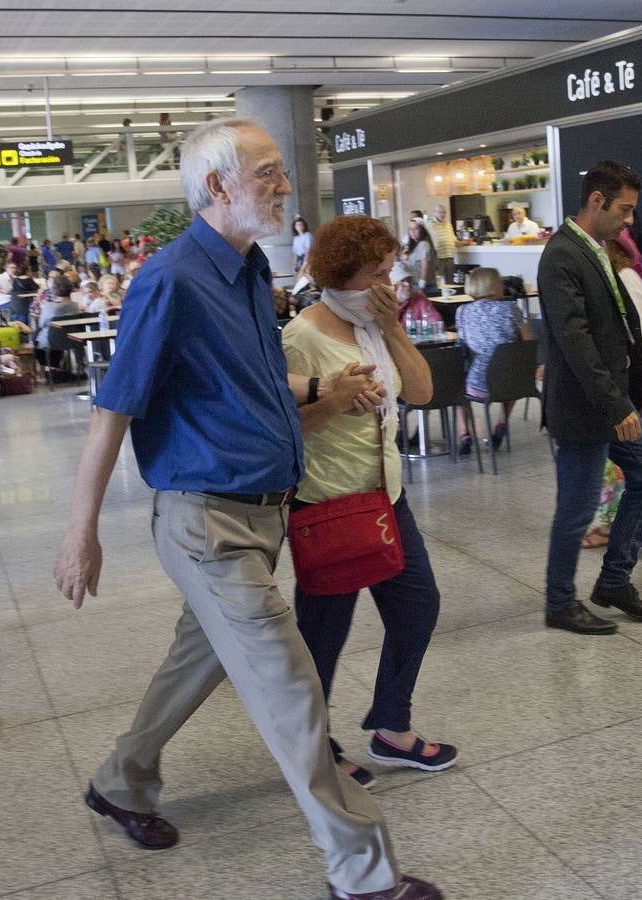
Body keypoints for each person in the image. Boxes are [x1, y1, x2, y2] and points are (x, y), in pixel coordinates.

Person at [53, 117, 442, 900]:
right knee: (291, 686)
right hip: (208, 524)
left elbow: (251, 388)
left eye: (279, 171)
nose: (284, 185)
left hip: (260, 519)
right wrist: (79, 531)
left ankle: (120, 782)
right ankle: (363, 873)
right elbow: (115, 408)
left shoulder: (244, 276)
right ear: (218, 187)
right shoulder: (171, 280)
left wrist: (320, 392)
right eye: (266, 172)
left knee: (193, 665)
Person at [282, 214, 454, 790]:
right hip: (328, 503)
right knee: (323, 633)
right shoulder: (301, 337)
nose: (387, 285)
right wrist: (335, 401)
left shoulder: (377, 324)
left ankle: (391, 724)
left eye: (390, 272)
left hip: (386, 498)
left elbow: (423, 392)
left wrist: (396, 329)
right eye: (373, 276)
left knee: (418, 604)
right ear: (340, 277)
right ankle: (312, 742)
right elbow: (286, 429)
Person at [538, 160, 642, 636]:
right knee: (576, 508)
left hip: (614, 400)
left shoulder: (593, 249)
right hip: (585, 407)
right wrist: (617, 406)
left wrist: (640, 386)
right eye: (625, 209)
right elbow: (575, 341)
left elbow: (617, 328)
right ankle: (559, 602)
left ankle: (614, 581)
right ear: (597, 201)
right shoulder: (561, 256)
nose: (630, 219)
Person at [583, 239, 642, 549]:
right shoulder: (612, 279)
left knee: (622, 463)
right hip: (617, 384)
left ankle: (615, 528)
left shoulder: (625, 280)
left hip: (629, 382)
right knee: (618, 461)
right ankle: (617, 525)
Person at [455, 266, 531, 454]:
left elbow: (461, 346)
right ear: (493, 285)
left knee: (457, 384)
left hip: (477, 386)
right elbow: (529, 342)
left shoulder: (462, 312)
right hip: (510, 383)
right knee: (512, 368)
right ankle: (501, 422)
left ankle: (464, 434)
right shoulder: (511, 309)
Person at [401, 220, 437, 294]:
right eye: (410, 229)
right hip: (415, 284)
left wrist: (421, 287)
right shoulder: (414, 246)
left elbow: (424, 267)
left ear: (421, 230)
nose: (413, 231)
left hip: (424, 286)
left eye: (416, 228)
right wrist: (405, 258)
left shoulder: (423, 244)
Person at [427, 204, 457, 285]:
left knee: (451, 281)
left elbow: (453, 240)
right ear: (435, 213)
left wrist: (466, 243)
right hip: (438, 257)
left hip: (449, 256)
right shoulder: (430, 224)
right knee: (439, 282)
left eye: (444, 212)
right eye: (440, 212)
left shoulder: (448, 224)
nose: (443, 214)